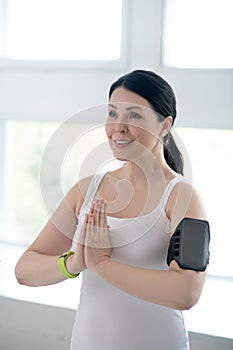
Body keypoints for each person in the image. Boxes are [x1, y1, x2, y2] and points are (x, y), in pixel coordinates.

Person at [15, 70, 207, 350]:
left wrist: (102, 265)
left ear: (165, 125)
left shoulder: (183, 196)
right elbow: (25, 270)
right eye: (113, 114)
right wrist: (73, 263)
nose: (119, 126)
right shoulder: (86, 190)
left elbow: (188, 291)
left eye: (134, 115)